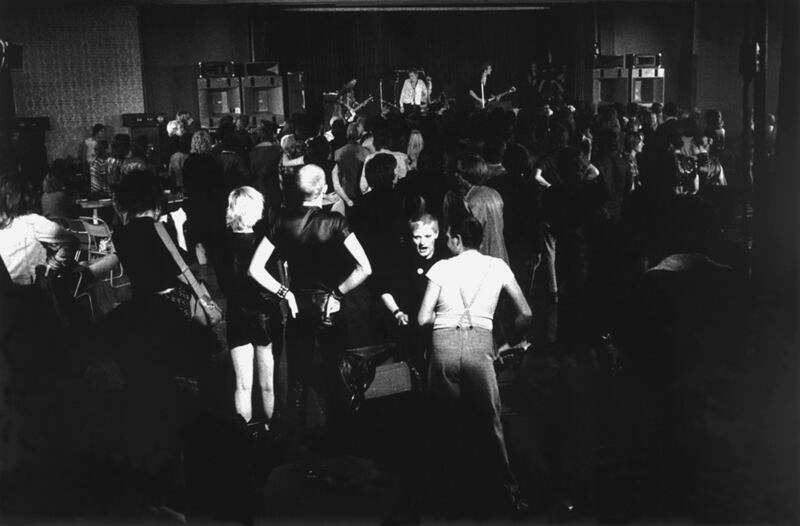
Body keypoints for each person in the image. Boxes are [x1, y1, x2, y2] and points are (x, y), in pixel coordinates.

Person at [247, 164, 372, 453]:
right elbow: (365, 267)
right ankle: (346, 444)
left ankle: (297, 446)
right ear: (324, 187)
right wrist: (338, 293)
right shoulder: (336, 222)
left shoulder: (281, 221)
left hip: (298, 308)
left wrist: (284, 292)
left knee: (298, 380)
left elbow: (255, 269)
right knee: (336, 377)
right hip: (331, 308)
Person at [417, 213, 531, 518]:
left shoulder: (440, 267)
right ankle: (508, 492)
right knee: (490, 422)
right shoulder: (498, 267)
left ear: (455, 239)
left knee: (443, 422)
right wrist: (507, 344)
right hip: (480, 343)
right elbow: (526, 314)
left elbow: (422, 318)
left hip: (443, 345)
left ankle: (443, 497)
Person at [221, 186, 279, 431]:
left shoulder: (222, 244)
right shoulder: (263, 244)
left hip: (235, 314)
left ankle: (243, 438)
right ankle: (272, 433)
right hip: (264, 315)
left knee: (242, 385)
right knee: (267, 385)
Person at [0, 171, 78, 286]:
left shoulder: (4, 225)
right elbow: (72, 240)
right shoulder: (32, 221)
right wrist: (55, 262)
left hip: (10, 293)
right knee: (110, 259)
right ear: (25, 194)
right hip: (39, 289)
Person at [331, 122, 367, 215]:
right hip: (362, 193)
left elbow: (337, 177)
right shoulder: (365, 152)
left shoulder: (338, 152)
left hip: (345, 192)